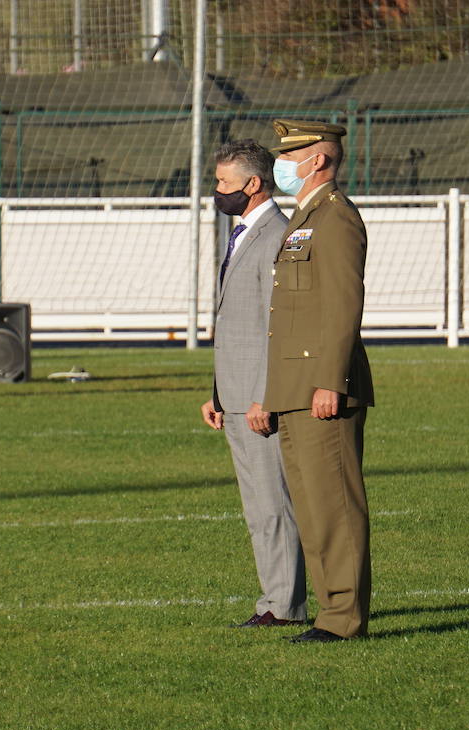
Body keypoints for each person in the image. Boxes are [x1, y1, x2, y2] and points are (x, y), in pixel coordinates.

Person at [261, 119, 376, 644]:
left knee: (334, 507)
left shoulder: (336, 219)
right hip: (295, 389)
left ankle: (344, 618)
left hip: (321, 388)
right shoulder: (303, 219)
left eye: (292, 155)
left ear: (318, 161)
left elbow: (342, 307)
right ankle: (330, 612)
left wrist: (330, 381)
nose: (281, 164)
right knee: (311, 507)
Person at [200, 140, 308, 628]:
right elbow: (236, 322)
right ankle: (274, 601)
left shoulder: (277, 236)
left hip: (260, 399)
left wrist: (266, 394)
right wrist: (220, 392)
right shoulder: (244, 232)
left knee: (272, 506)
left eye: (224, 183)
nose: (217, 190)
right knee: (257, 507)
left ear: (253, 184)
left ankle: (283, 606)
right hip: (237, 395)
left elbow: (277, 326)